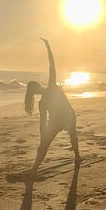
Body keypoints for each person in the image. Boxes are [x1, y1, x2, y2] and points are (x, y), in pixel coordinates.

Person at [23, 38, 81, 175]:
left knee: (73, 134)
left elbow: (52, 65)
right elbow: (42, 123)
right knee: (43, 145)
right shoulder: (41, 103)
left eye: (36, 87)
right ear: (34, 93)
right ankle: (34, 169)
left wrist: (48, 47)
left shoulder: (52, 86)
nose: (37, 90)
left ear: (38, 85)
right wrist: (43, 137)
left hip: (68, 116)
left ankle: (77, 156)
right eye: (34, 91)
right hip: (55, 121)